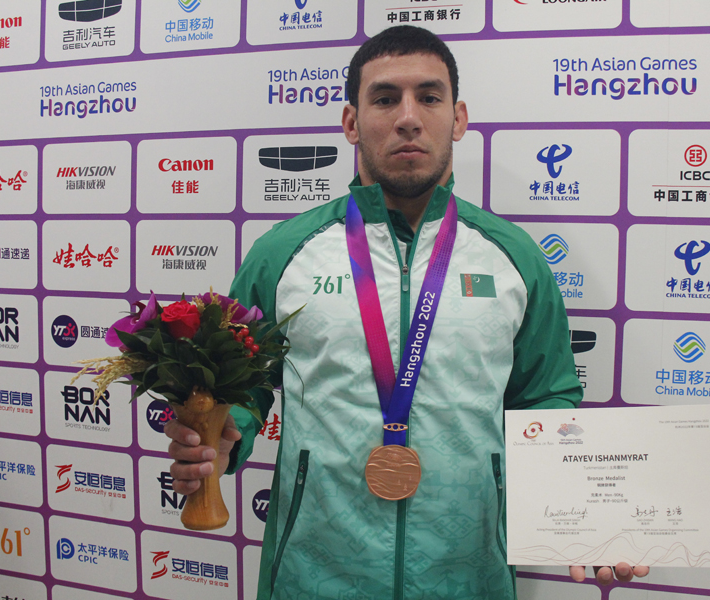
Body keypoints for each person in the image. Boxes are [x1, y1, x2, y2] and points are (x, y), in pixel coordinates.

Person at [166, 25, 648, 599]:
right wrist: (227, 435)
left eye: (430, 96)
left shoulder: (514, 257)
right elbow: (242, 385)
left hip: (468, 577)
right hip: (313, 576)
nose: (409, 117)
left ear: (458, 118)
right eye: (385, 98)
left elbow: (545, 399)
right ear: (351, 122)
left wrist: (589, 511)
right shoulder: (281, 254)